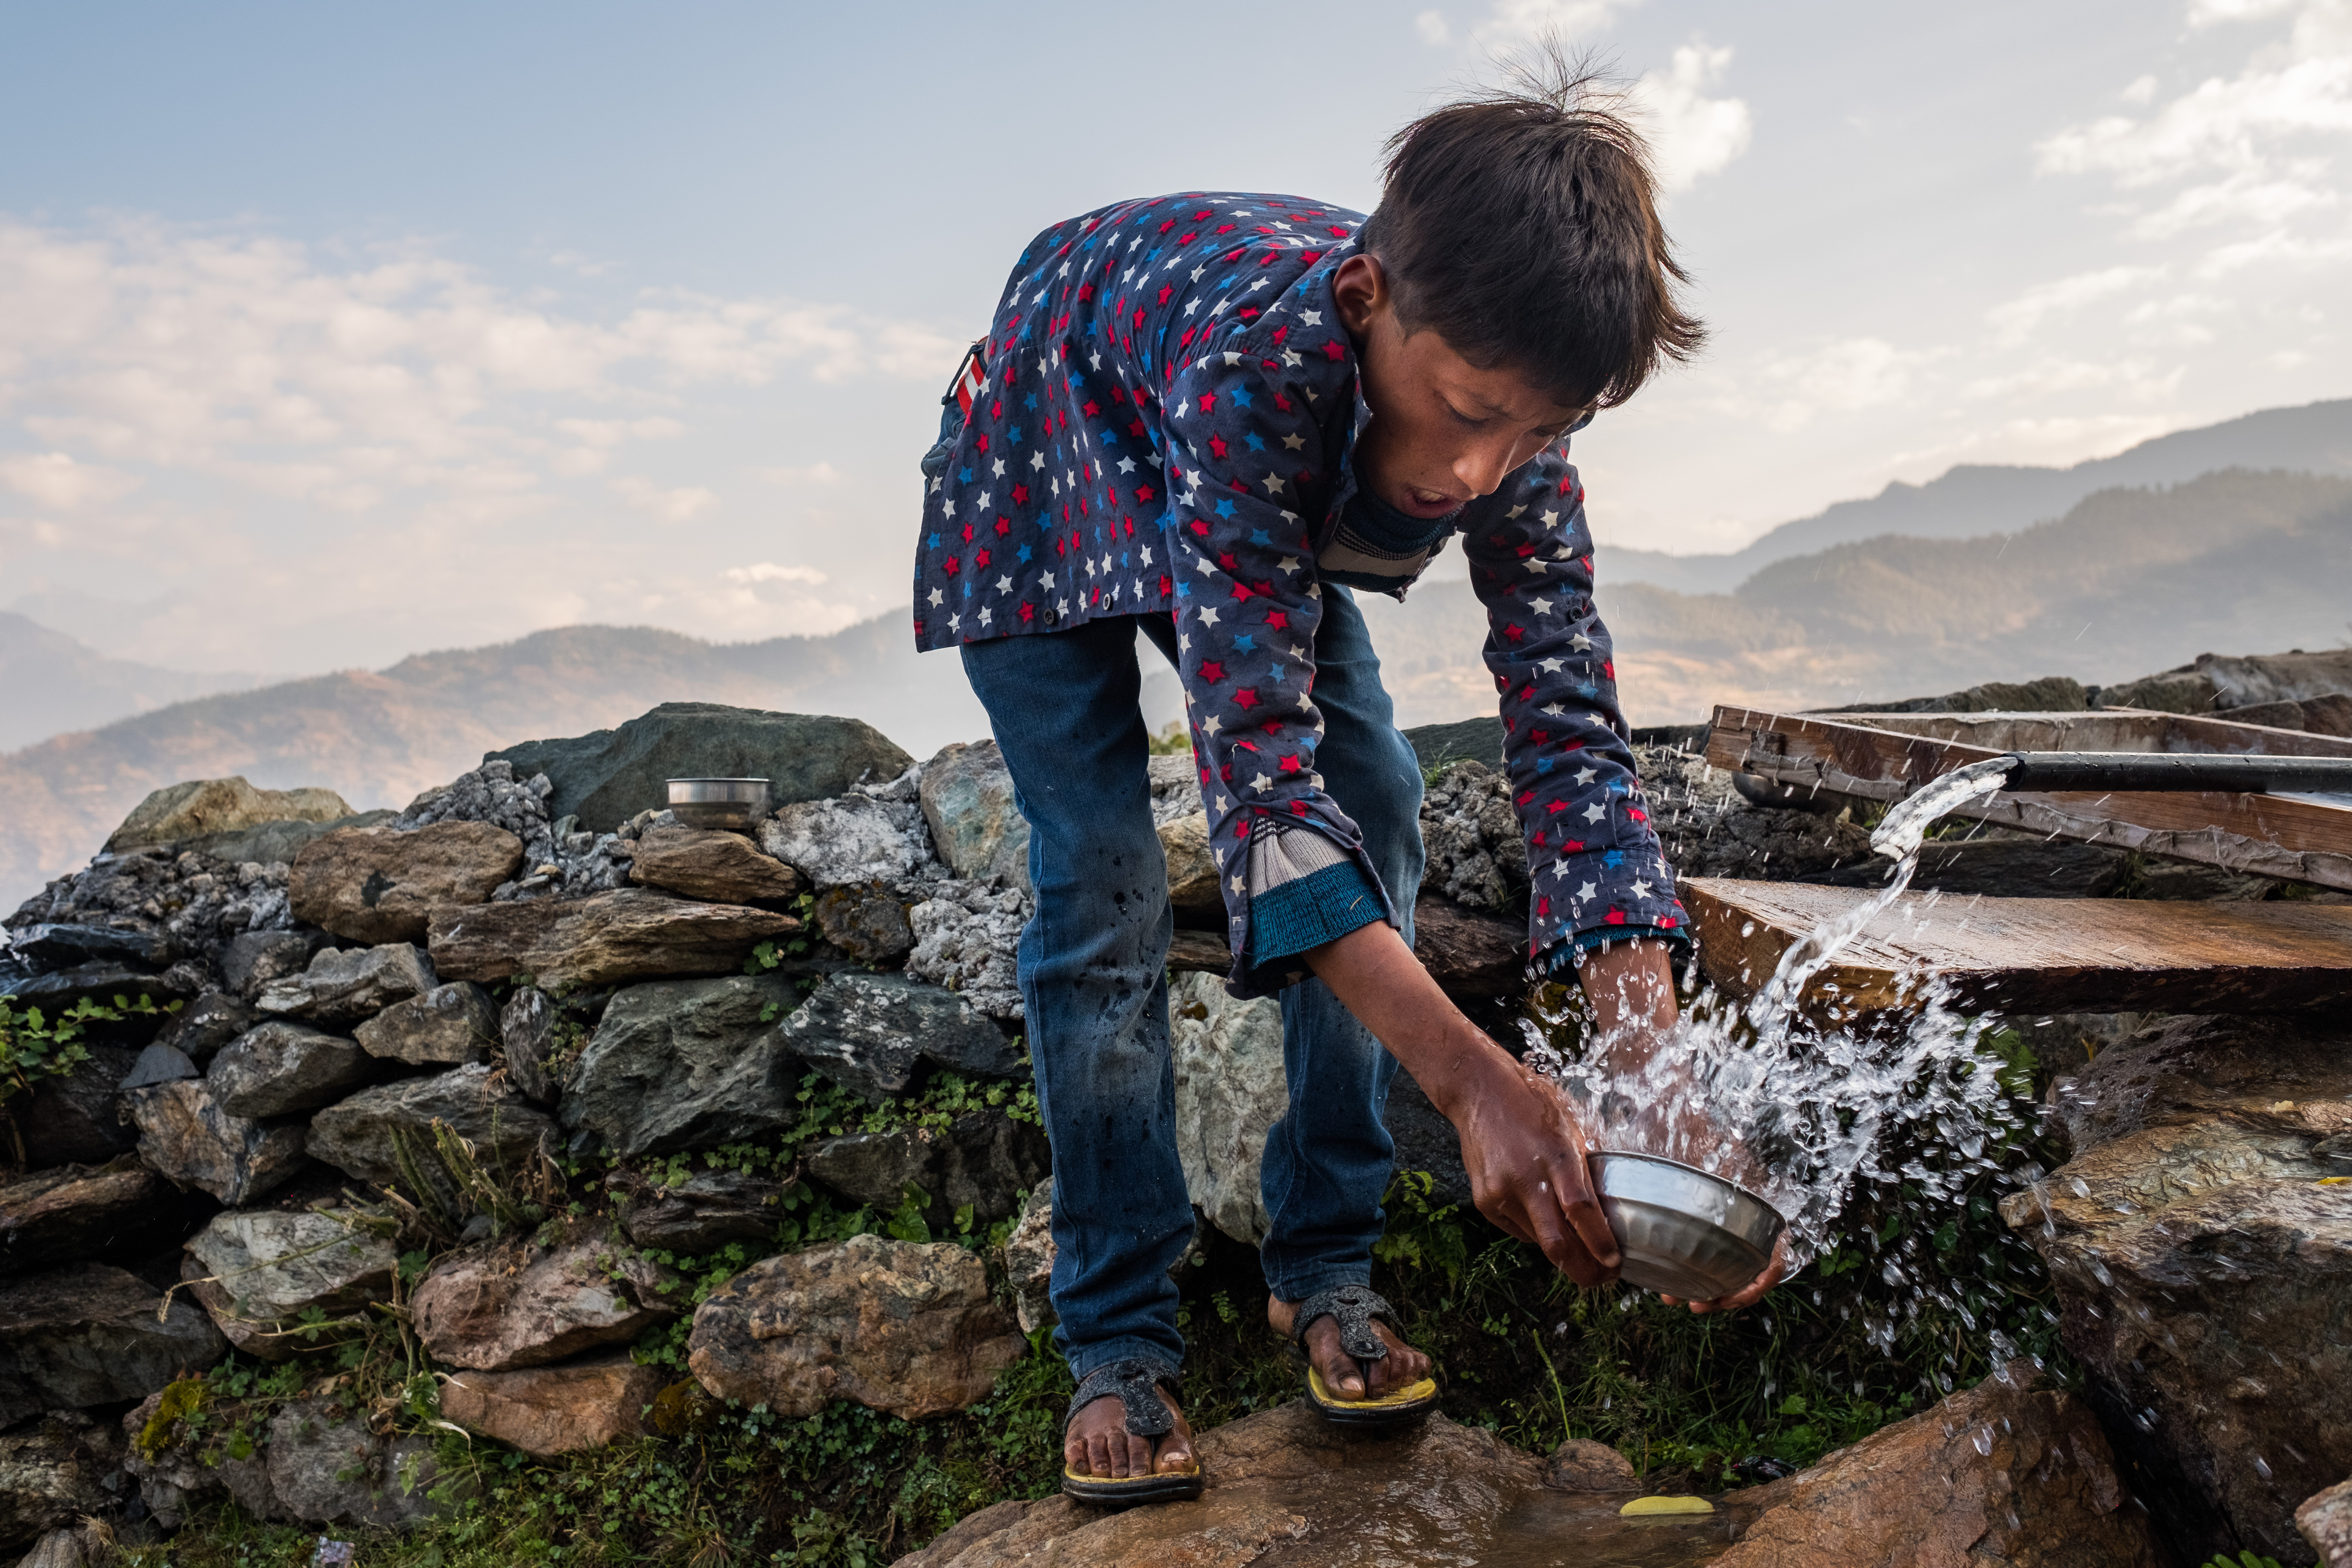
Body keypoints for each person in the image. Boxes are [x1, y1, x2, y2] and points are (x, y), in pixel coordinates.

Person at [909, 67, 1778, 1508]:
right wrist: (1479, 1085)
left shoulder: (1517, 439)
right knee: (1102, 883)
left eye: (1536, 432)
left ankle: (1323, 1264)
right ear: (1369, 299)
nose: (1479, 469)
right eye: (1462, 412)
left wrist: (1651, 1063)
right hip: (1047, 472)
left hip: (1222, 485)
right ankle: (1119, 1336)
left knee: (1375, 798)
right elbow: (1259, 791)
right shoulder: (1255, 370)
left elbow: (1567, 731)